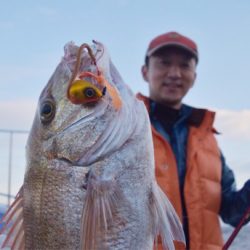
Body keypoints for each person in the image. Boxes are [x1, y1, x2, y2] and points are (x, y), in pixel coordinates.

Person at [137, 31, 250, 250]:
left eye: (185, 66)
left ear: (195, 77)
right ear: (145, 72)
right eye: (164, 63)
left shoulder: (208, 138)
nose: (174, 73)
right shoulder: (123, 130)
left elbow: (232, 212)